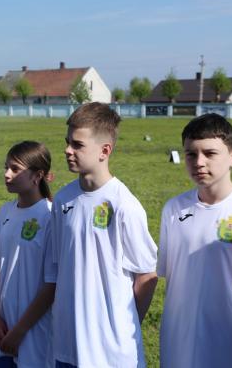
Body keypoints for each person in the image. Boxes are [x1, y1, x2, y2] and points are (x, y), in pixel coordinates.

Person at [45, 102, 158, 368]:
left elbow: (146, 276)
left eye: (77, 145)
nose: (67, 150)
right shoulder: (62, 200)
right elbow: (58, 268)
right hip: (68, 346)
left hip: (110, 353)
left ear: (104, 151)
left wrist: (123, 326)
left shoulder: (124, 204)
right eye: (67, 142)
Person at [158, 113, 232, 368]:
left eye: (210, 153)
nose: (199, 162)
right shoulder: (173, 210)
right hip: (179, 347)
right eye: (191, 154)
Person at [0, 141, 55, 368]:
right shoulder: (5, 211)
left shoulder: (50, 216)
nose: (7, 174)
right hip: (3, 331)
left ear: (38, 176)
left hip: (34, 335)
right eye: (6, 167)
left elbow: (52, 284)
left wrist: (20, 330)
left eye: (15, 169)